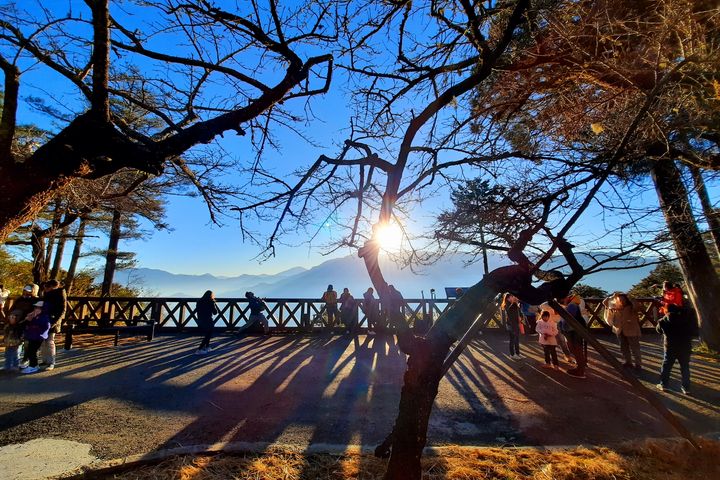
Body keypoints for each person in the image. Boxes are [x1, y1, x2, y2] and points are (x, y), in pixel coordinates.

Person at [656, 304, 695, 394]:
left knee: (666, 367)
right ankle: (686, 388)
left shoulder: (663, 321)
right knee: (685, 367)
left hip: (670, 347)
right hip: (685, 347)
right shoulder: (686, 319)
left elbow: (658, 330)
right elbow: (692, 331)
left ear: (666, 310)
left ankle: (664, 384)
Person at [603, 292, 642, 372]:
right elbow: (605, 302)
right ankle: (628, 362)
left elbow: (637, 307)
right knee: (623, 348)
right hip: (619, 330)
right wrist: (612, 296)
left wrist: (631, 297)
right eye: (619, 300)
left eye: (623, 299)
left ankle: (638, 364)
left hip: (632, 330)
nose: (621, 301)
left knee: (635, 348)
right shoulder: (614, 307)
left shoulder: (631, 307)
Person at [40, 280, 67, 371]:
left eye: (46, 287)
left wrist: (55, 322)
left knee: (49, 341)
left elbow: (62, 309)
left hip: (53, 320)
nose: (45, 289)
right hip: (44, 319)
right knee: (43, 341)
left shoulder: (60, 294)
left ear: (51, 287)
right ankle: (45, 360)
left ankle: (51, 362)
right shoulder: (47, 295)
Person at [560, 296, 588, 378]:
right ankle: (580, 368)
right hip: (575, 331)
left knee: (577, 350)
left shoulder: (572, 305)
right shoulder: (573, 305)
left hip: (574, 332)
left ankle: (580, 371)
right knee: (577, 350)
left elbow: (567, 318)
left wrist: (563, 329)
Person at [20, 301, 50, 374]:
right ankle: (34, 365)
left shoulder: (44, 317)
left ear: (43, 309)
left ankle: (33, 366)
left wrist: (37, 328)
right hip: (32, 336)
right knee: (30, 351)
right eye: (35, 307)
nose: (36, 309)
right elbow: (25, 324)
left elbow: (47, 326)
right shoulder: (34, 315)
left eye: (38, 308)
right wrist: (28, 319)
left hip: (38, 337)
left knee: (32, 351)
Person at [195, 290, 218, 354]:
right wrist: (214, 304)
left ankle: (207, 347)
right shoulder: (211, 302)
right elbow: (215, 312)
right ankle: (199, 350)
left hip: (200, 320)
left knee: (208, 333)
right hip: (208, 320)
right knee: (208, 334)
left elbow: (197, 311)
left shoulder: (199, 301)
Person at [502, 293, 524, 359]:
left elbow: (519, 312)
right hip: (511, 325)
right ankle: (512, 354)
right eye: (512, 296)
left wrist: (521, 317)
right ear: (508, 298)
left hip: (516, 324)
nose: (514, 297)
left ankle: (518, 353)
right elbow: (510, 312)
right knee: (512, 340)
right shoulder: (507, 305)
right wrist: (515, 302)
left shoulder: (514, 304)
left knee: (517, 340)